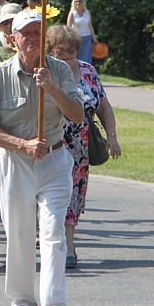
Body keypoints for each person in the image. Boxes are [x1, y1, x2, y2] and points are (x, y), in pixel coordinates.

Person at [0, 9, 84, 306]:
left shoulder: (60, 70)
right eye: (26, 33)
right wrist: (22, 145)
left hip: (54, 158)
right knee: (19, 232)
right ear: (13, 38)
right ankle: (22, 299)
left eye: (38, 32)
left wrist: (52, 89)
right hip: (14, 161)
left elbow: (77, 115)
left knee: (53, 233)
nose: (33, 38)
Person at [46, 25, 121, 268]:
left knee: (73, 195)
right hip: (49, 144)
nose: (66, 54)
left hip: (79, 148)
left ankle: (68, 244)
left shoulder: (88, 71)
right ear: (50, 51)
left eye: (71, 50)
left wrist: (112, 137)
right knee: (50, 196)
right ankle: (53, 242)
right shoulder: (44, 73)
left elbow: (103, 106)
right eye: (60, 50)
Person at [66, 0, 97, 64]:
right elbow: (69, 27)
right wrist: (69, 38)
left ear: (83, 3)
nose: (78, 3)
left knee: (86, 57)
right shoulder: (72, 13)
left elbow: (90, 26)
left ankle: (85, 73)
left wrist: (94, 38)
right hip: (76, 38)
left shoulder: (87, 12)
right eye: (76, 1)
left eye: (80, 1)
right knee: (77, 57)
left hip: (87, 37)